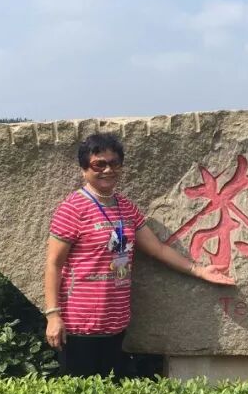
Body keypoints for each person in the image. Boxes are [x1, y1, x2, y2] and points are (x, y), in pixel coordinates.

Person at [43, 132, 234, 377]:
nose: (107, 170)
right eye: (99, 164)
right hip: (80, 324)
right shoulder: (72, 209)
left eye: (114, 163)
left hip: (116, 322)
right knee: (81, 393)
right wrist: (53, 315)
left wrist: (198, 270)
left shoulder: (126, 207)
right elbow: (54, 264)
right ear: (84, 169)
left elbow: (157, 249)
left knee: (111, 392)